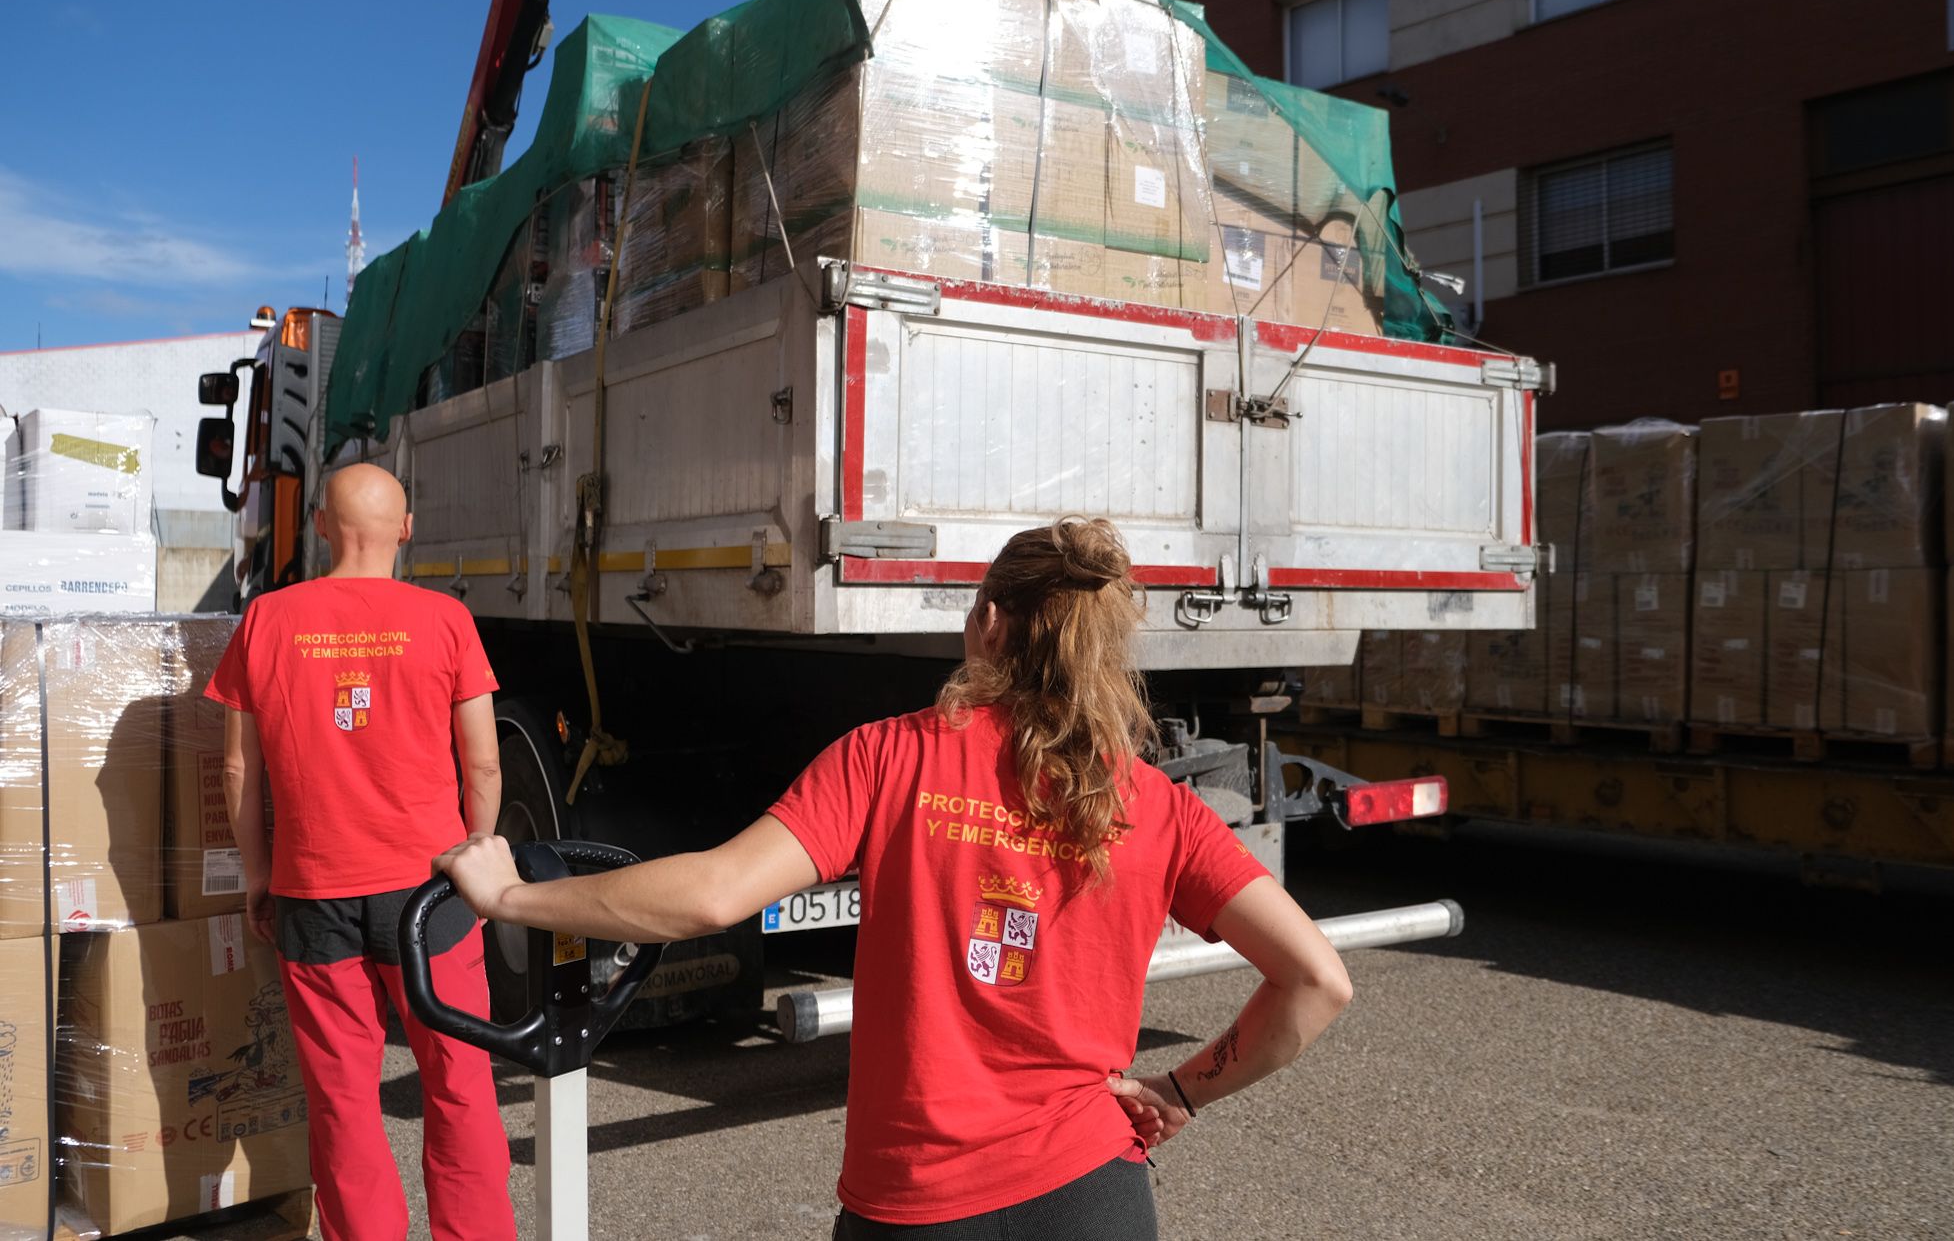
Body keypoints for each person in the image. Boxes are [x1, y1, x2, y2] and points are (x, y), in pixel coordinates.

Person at [435, 517, 1354, 1239]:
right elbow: (1317, 980)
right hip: (1094, 1197)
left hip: (916, 1206)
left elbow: (711, 896)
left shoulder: (889, 759)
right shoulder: (1160, 805)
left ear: (989, 622)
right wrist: (1181, 1091)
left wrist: (512, 894)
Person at [211, 463, 515, 1241]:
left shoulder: (266, 620)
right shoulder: (446, 619)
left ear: (318, 525)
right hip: (434, 889)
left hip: (312, 891)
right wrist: (479, 858)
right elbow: (481, 762)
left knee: (342, 1098)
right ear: (406, 530)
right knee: (460, 1082)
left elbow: (239, 769)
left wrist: (256, 875)